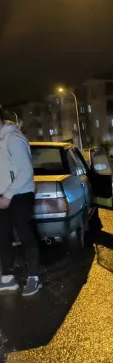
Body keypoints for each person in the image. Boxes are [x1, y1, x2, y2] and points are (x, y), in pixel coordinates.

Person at [0, 106, 42, 296]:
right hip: (4, 196)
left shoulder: (13, 139)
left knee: (25, 235)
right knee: (2, 237)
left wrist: (8, 195)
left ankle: (34, 278)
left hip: (20, 196)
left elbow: (26, 171)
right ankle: (7, 278)